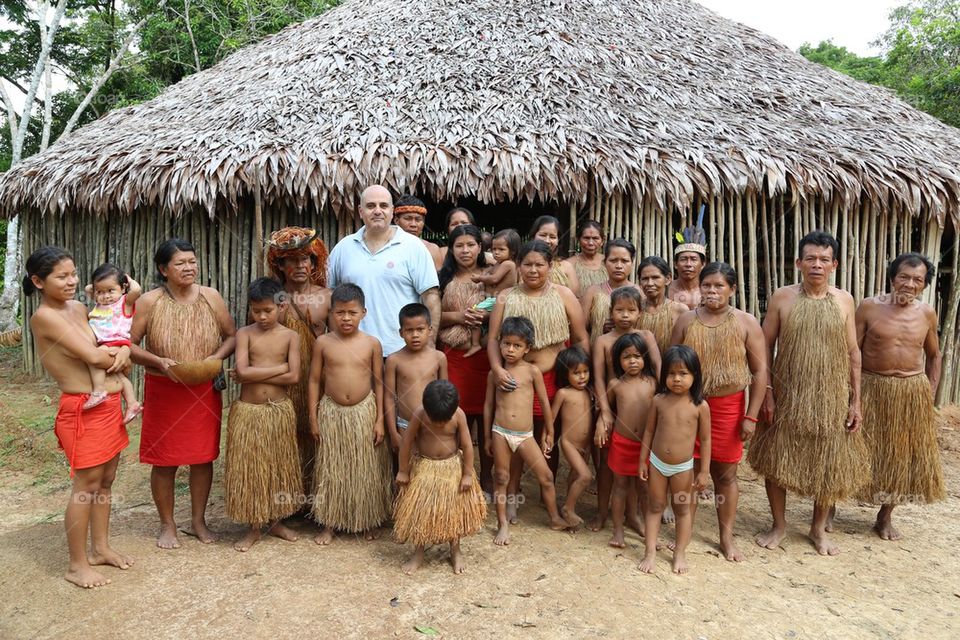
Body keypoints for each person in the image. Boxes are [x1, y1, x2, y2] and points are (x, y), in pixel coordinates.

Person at [748, 231, 869, 556]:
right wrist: (768, 393)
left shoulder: (844, 300)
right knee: (776, 457)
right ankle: (780, 525)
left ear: (835, 264)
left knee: (828, 461)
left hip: (831, 395)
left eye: (824, 259)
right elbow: (764, 346)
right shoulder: (782, 298)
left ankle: (818, 529)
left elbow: (853, 352)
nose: (817, 264)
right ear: (799, 263)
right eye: (811, 258)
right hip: (788, 392)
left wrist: (855, 400)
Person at [24, 247, 133, 588]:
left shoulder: (80, 308)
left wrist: (124, 349)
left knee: (106, 481)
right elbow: (93, 355)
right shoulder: (44, 317)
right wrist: (117, 354)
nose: (72, 281)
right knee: (85, 486)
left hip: (107, 405)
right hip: (81, 409)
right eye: (61, 276)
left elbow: (112, 339)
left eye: (73, 274)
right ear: (38, 281)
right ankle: (76, 564)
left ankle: (100, 549)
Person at [130, 238, 236, 549]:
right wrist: (158, 361)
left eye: (192, 261)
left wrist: (214, 359)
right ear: (163, 269)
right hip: (164, 389)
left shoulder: (210, 297)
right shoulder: (149, 302)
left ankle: (198, 521)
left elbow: (231, 335)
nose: (189, 267)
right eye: (180, 263)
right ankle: (167, 524)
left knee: (203, 458)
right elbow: (130, 346)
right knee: (164, 461)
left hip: (203, 388)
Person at [670, 262, 767, 562]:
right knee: (688, 475)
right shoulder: (686, 321)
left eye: (719, 286)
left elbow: (760, 371)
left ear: (733, 289)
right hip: (690, 405)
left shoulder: (746, 323)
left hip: (729, 408)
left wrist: (751, 416)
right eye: (707, 285)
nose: (711, 291)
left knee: (725, 475)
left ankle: (726, 537)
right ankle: (683, 538)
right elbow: (672, 362)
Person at [856, 252, 944, 540]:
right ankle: (829, 505)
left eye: (917, 279)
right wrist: (851, 392)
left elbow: (934, 355)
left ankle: (884, 516)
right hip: (870, 386)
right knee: (852, 448)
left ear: (924, 284)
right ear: (893, 278)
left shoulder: (927, 313)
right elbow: (852, 351)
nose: (909, 284)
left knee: (899, 457)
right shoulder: (869, 307)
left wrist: (928, 395)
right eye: (904, 277)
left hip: (909, 392)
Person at [486, 240, 589, 486]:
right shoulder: (506, 296)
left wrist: (581, 375)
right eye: (527, 264)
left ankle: (547, 490)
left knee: (546, 433)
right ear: (518, 266)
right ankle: (512, 490)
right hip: (514, 378)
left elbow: (581, 338)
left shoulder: (563, 295)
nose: (533, 270)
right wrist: (497, 369)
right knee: (515, 433)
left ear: (550, 266)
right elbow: (492, 339)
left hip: (552, 376)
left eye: (539, 265)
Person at [308, 284, 392, 544]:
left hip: (364, 412)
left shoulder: (372, 344)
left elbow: (380, 383)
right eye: (340, 312)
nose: (346, 318)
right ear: (331, 313)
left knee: (364, 469)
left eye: (352, 313)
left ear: (363, 313)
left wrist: (379, 419)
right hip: (332, 413)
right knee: (332, 470)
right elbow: (313, 380)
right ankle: (330, 521)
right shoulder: (323, 343)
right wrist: (313, 417)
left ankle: (366, 519)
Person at [225, 278, 302, 552]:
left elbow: (293, 376)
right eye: (256, 311)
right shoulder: (245, 334)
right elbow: (242, 371)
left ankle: (277, 521)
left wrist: (271, 371)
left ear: (281, 306)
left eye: (267, 310)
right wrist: (279, 368)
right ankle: (254, 527)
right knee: (252, 469)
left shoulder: (291, 336)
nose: (262, 316)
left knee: (277, 467)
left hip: (279, 412)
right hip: (249, 413)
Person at [484, 317, 571, 545]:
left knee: (547, 476)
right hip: (500, 432)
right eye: (506, 344)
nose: (510, 350)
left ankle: (554, 517)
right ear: (500, 343)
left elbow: (544, 403)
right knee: (501, 477)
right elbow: (488, 406)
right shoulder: (495, 374)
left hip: (525, 435)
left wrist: (550, 432)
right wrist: (486, 437)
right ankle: (502, 524)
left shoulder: (532, 372)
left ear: (527, 348)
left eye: (517, 345)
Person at [327, 185, 441, 356]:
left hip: (403, 352)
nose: (378, 211)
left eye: (384, 206)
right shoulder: (343, 248)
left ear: (392, 211)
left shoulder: (413, 246)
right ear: (360, 211)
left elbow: (431, 297)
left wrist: (430, 345)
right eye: (371, 206)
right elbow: (330, 295)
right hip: (353, 352)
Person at [394, 380, 487, 574]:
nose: (439, 424)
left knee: (453, 512)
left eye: (443, 420)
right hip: (425, 468)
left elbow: (468, 446)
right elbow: (406, 442)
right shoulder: (420, 413)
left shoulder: (459, 415)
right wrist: (403, 470)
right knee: (421, 512)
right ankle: (418, 551)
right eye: (435, 419)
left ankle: (455, 550)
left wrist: (467, 474)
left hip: (451, 467)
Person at [267, 226, 330, 501]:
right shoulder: (270, 300)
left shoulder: (327, 298)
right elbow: (258, 340)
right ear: (279, 265)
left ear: (314, 262)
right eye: (291, 259)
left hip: (318, 379)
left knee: (316, 435)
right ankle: (289, 498)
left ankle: (315, 498)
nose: (300, 265)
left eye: (306, 258)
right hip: (284, 381)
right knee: (286, 438)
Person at [590, 286, 659, 533]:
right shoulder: (603, 341)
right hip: (612, 406)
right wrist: (604, 412)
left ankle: (633, 516)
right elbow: (598, 378)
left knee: (639, 469)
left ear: (640, 312)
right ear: (610, 312)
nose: (625, 315)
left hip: (642, 409)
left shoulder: (647, 337)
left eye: (631, 310)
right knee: (608, 467)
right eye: (619, 310)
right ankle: (601, 513)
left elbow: (658, 372)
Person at [638, 345, 711, 575]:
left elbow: (706, 440)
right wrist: (643, 461)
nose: (676, 379)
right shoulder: (658, 400)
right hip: (657, 463)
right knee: (655, 506)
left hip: (683, 467)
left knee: (682, 509)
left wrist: (704, 471)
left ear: (695, 375)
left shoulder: (700, 406)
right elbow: (648, 432)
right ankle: (650, 551)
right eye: (671, 374)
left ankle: (680, 552)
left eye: (683, 374)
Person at [438, 225, 496, 492]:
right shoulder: (442, 279)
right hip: (454, 356)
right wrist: (460, 316)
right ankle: (459, 473)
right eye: (459, 245)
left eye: (470, 245)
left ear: (480, 247)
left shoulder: (492, 277)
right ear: (451, 249)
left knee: (486, 418)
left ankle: (487, 476)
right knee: (455, 416)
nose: (465, 250)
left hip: (485, 356)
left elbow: (507, 306)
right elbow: (430, 316)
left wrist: (486, 316)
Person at [606, 333, 658, 549]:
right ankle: (618, 529)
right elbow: (606, 410)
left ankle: (648, 530)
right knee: (619, 486)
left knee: (645, 489)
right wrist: (603, 421)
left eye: (637, 356)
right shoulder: (615, 384)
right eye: (626, 357)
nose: (633, 361)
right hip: (621, 442)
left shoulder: (653, 383)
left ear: (645, 358)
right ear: (618, 360)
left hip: (646, 446)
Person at [83, 264, 143, 423]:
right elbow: (88, 288)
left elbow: (136, 290)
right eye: (100, 292)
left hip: (115, 341)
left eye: (111, 290)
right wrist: (99, 287)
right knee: (119, 376)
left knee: (93, 359)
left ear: (123, 288)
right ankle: (132, 403)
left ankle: (99, 390)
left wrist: (127, 279)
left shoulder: (124, 303)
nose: (106, 296)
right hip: (108, 343)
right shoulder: (100, 304)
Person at [385, 303, 448, 451]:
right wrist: (393, 432)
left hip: (434, 423)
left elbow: (445, 394)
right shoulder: (394, 360)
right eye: (409, 330)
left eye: (420, 329)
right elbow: (389, 397)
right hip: (405, 424)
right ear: (401, 332)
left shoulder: (439, 358)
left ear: (430, 330)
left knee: (431, 466)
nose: (415, 335)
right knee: (409, 467)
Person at [551, 346, 594, 528]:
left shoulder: (589, 392)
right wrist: (548, 437)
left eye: (585, 371)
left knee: (575, 475)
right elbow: (551, 418)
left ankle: (570, 512)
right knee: (585, 476)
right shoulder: (564, 393)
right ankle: (568, 508)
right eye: (576, 373)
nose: (582, 376)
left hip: (585, 443)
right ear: (565, 374)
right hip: (569, 442)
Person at [466, 228, 519, 357]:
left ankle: (475, 344)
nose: (496, 252)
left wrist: (480, 278)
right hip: (491, 300)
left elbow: (494, 279)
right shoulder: (497, 264)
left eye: (501, 249)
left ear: (512, 251)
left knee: (475, 314)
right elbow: (489, 273)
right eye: (494, 249)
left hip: (498, 300)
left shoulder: (508, 264)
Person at [581, 239, 639, 345]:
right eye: (613, 261)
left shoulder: (639, 292)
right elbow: (581, 330)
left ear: (632, 263)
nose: (618, 266)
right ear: (604, 263)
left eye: (624, 261)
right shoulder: (592, 292)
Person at [637, 256, 687, 356]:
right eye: (645, 279)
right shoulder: (635, 309)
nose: (650, 283)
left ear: (668, 279)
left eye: (655, 278)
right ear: (640, 282)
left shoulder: (680, 310)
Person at [530, 215, 581, 296]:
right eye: (542, 235)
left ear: (558, 240)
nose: (547, 241)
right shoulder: (520, 266)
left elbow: (576, 298)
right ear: (533, 237)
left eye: (552, 237)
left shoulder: (566, 267)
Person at [394, 195, 443, 270]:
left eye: (418, 220)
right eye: (408, 219)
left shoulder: (432, 249)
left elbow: (440, 280)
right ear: (396, 220)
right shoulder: (385, 247)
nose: (413, 224)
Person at [668, 222, 707, 310]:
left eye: (693, 259)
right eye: (683, 259)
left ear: (703, 264)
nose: (688, 264)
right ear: (675, 264)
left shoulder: (710, 290)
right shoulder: (665, 289)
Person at [565, 220, 608, 291]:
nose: (590, 243)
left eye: (595, 238)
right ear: (578, 240)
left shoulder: (608, 262)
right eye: (586, 238)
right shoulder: (569, 264)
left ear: (602, 241)